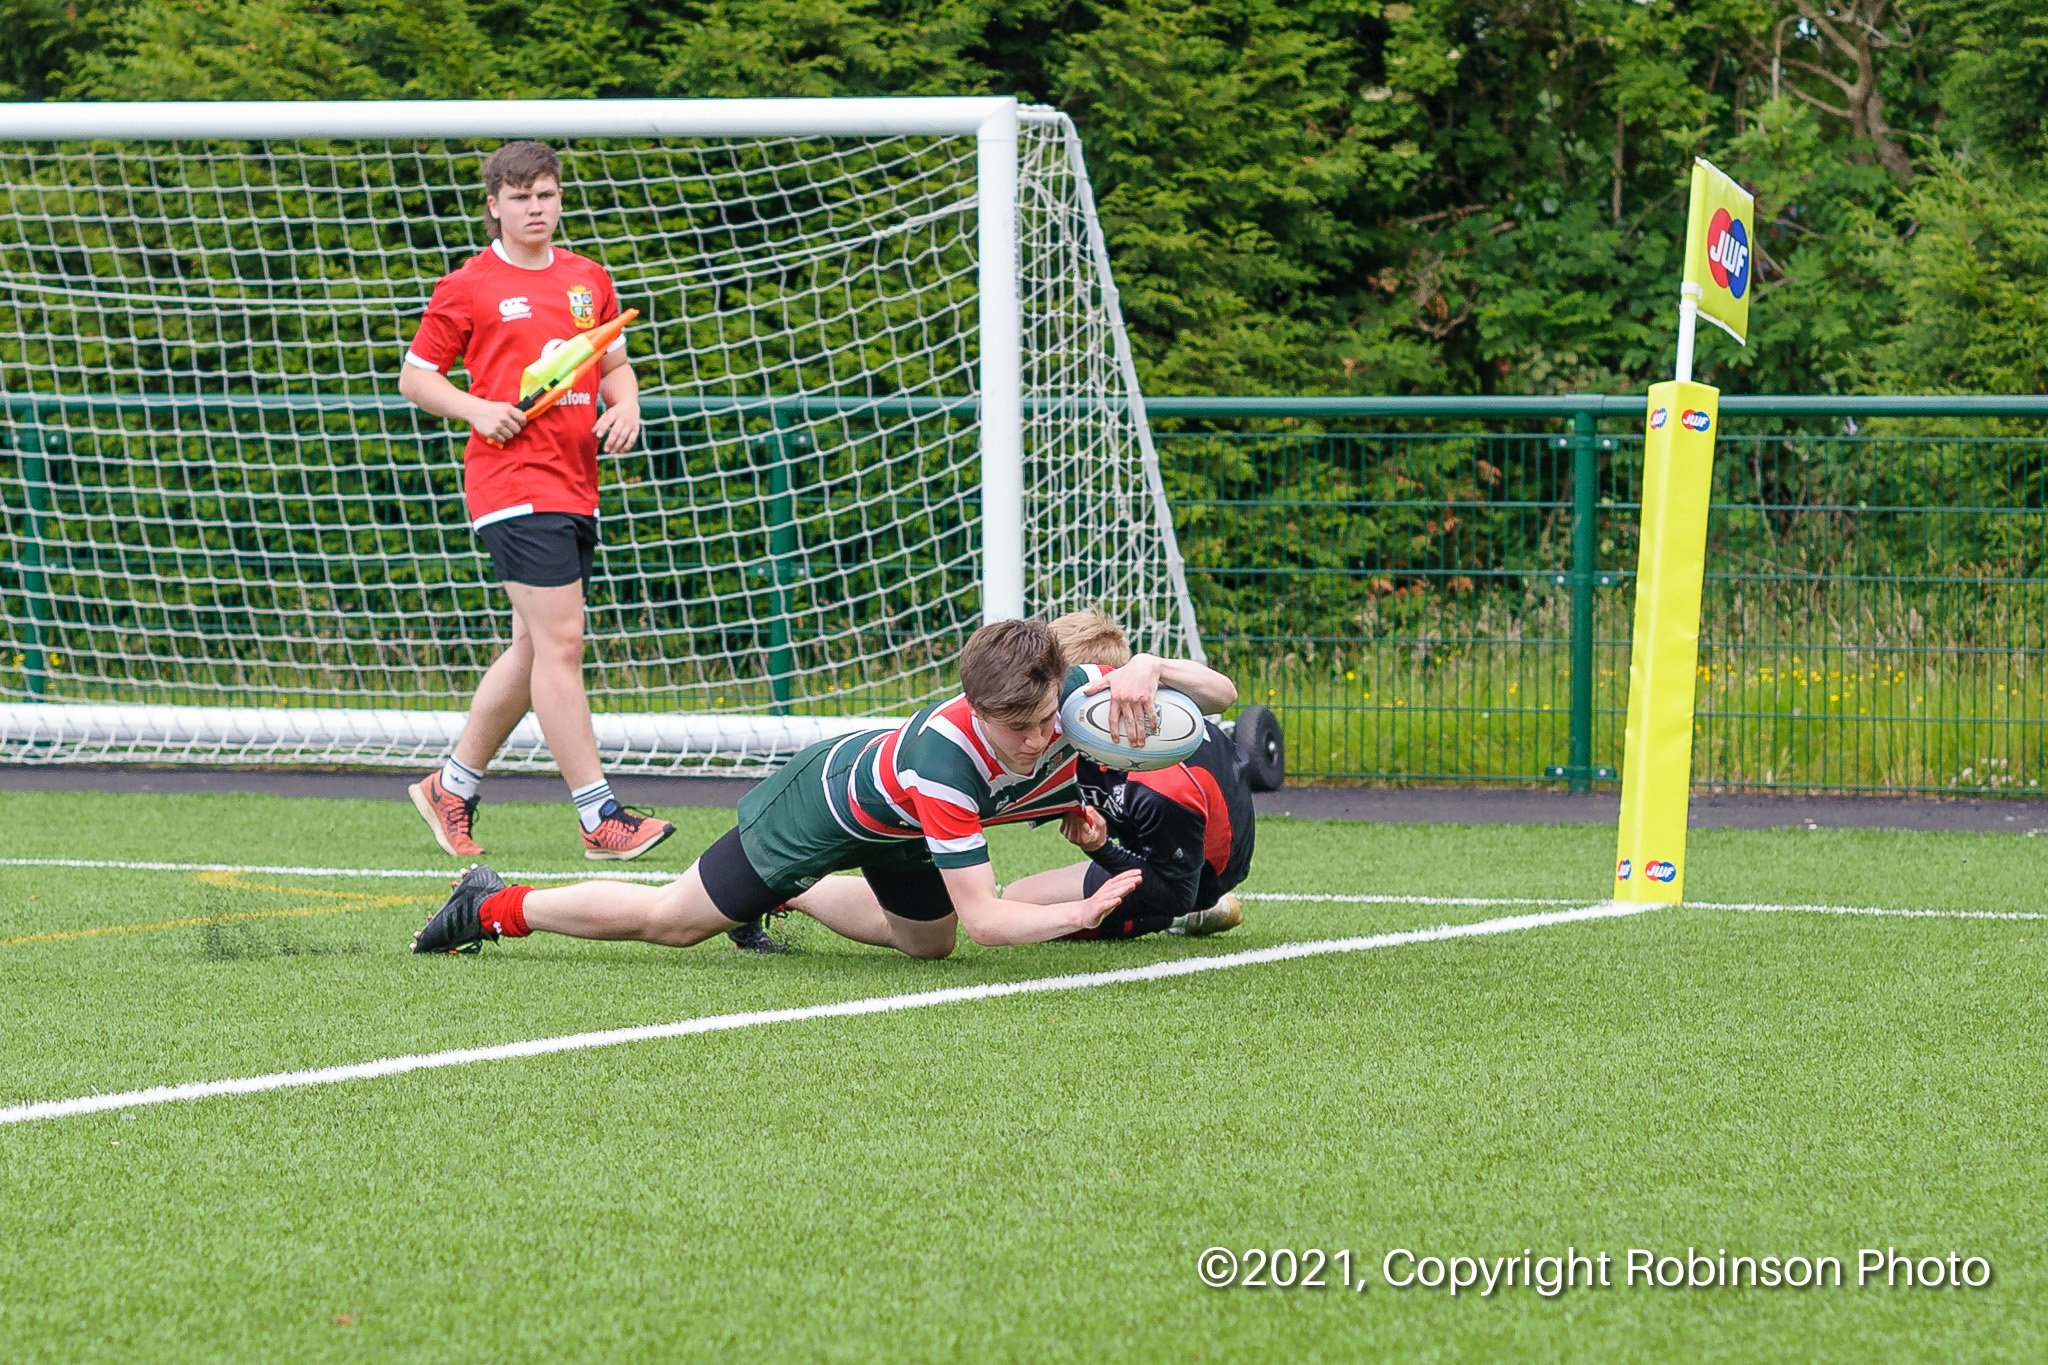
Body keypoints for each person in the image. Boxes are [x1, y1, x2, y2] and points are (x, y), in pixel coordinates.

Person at [410, 617, 1239, 959]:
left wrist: (1151, 666)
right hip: (823, 806)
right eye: (1015, 728)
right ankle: (491, 904)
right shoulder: (945, 764)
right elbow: (991, 919)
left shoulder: (1076, 694)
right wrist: (1079, 914)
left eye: (1046, 718)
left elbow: (1223, 695)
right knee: (674, 922)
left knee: (929, 948)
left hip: (905, 830)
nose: (1037, 739)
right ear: (978, 709)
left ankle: (790, 896)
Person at [396, 140, 673, 863]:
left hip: (575, 481)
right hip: (512, 483)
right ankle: (599, 816)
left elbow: (613, 365)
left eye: (545, 194)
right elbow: (416, 377)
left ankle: (451, 786)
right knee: (562, 644)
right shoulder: (468, 286)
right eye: (520, 197)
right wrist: (477, 409)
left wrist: (626, 405)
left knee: (534, 649)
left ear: (559, 199)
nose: (535, 208)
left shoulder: (587, 278)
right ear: (494, 206)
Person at [1003, 611, 1255, 941]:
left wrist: (1101, 849)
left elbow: (1177, 893)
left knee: (1020, 907)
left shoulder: (1160, 780)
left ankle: (1193, 914)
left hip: (1197, 874)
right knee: (1020, 905)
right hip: (1155, 843)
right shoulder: (1078, 736)